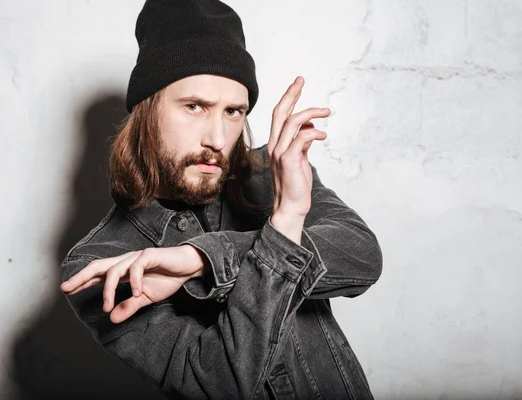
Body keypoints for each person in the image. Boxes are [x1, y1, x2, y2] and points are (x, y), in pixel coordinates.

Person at [59, 0, 382, 398]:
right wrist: (281, 231)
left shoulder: (274, 175)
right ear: (147, 111)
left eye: (233, 112)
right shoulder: (102, 263)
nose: (216, 138)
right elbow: (220, 383)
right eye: (194, 107)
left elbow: (364, 259)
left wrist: (201, 258)